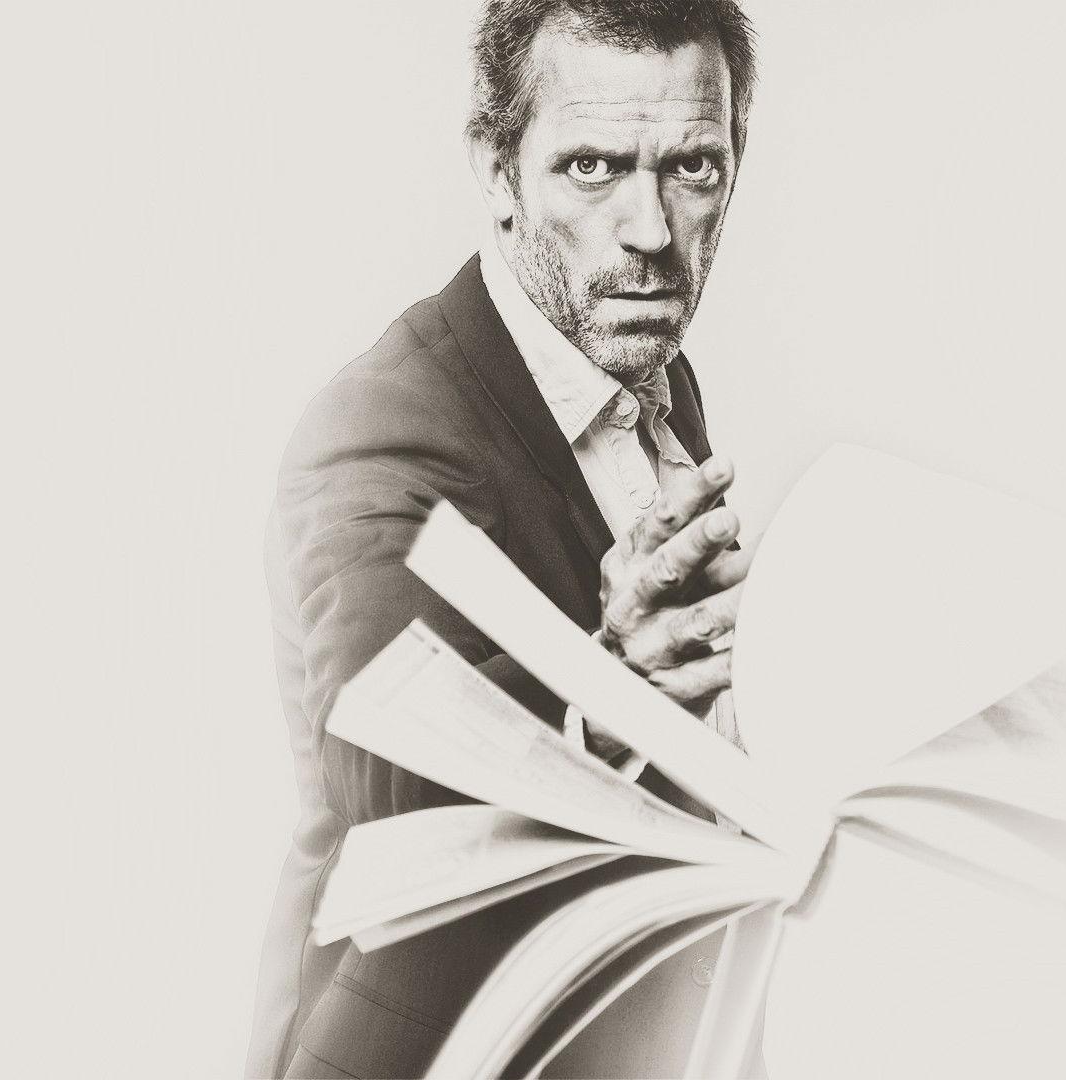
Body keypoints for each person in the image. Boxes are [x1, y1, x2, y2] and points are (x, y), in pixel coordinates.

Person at [247, 2, 763, 1076]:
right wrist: (612, 695)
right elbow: (389, 769)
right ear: (498, 172)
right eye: (591, 167)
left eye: (692, 168)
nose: (650, 230)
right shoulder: (379, 428)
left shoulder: (642, 365)